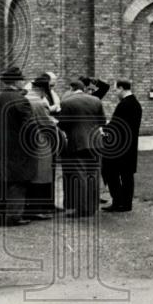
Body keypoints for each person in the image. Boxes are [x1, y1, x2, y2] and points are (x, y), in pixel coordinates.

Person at [0, 67, 37, 226]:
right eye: (21, 79)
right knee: (17, 182)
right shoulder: (21, 100)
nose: (23, 82)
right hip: (18, 148)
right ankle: (13, 217)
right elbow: (30, 127)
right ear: (16, 81)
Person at [58, 78, 106, 217]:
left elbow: (63, 124)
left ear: (72, 89)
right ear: (83, 89)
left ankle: (83, 209)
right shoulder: (95, 100)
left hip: (78, 143)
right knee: (93, 174)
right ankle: (92, 207)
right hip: (96, 142)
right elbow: (102, 121)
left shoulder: (67, 102)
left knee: (80, 175)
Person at [100, 79, 143, 212]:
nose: (115, 93)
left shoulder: (124, 105)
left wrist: (104, 130)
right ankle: (126, 204)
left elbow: (116, 126)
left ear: (121, 88)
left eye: (116, 90)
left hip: (118, 147)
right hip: (130, 146)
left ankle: (118, 202)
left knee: (110, 172)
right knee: (127, 175)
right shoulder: (136, 104)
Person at [23, 76, 59, 221]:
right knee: (41, 176)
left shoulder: (25, 98)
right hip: (40, 142)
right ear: (43, 90)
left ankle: (29, 208)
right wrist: (55, 122)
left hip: (27, 141)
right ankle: (36, 210)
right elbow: (47, 124)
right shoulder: (39, 103)